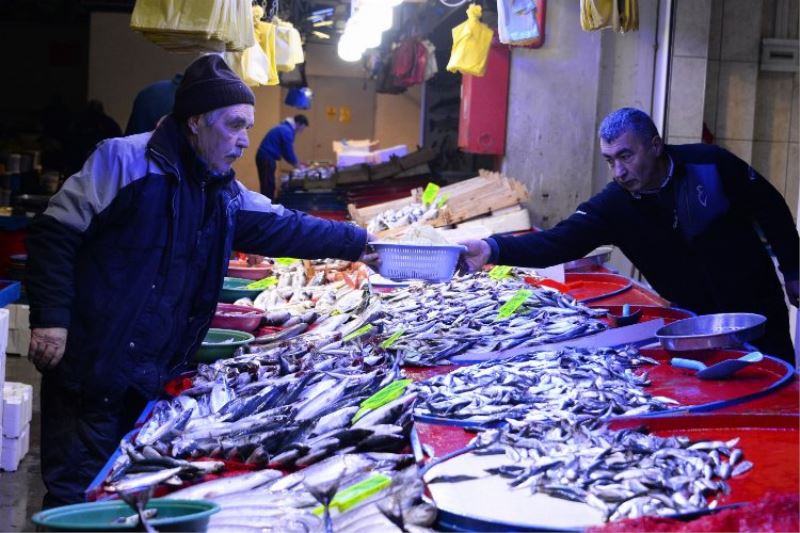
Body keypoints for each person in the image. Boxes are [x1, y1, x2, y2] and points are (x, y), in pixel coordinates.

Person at [25, 55, 376, 508]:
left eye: (248, 128)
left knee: (127, 494)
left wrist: (361, 242)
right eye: (234, 126)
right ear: (195, 122)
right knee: (75, 495)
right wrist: (51, 317)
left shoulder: (222, 191)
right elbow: (55, 232)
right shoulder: (122, 160)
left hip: (154, 376)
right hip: (92, 364)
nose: (244, 141)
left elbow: (285, 226)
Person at [460, 107, 799, 364]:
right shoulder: (614, 205)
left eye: (626, 156)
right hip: (694, 322)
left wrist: (794, 271)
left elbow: (771, 207)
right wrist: (492, 249)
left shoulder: (710, 165)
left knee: (782, 390)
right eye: (610, 161)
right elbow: (557, 242)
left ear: (654, 146)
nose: (619, 172)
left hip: (758, 309)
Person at [255, 114, 309, 199]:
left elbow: (286, 152)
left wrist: (297, 164)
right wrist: (298, 166)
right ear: (298, 124)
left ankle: (268, 206)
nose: (301, 131)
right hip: (266, 158)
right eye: (302, 128)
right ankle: (267, 209)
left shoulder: (284, 128)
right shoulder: (286, 131)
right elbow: (288, 152)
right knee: (268, 186)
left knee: (268, 185)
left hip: (266, 158)